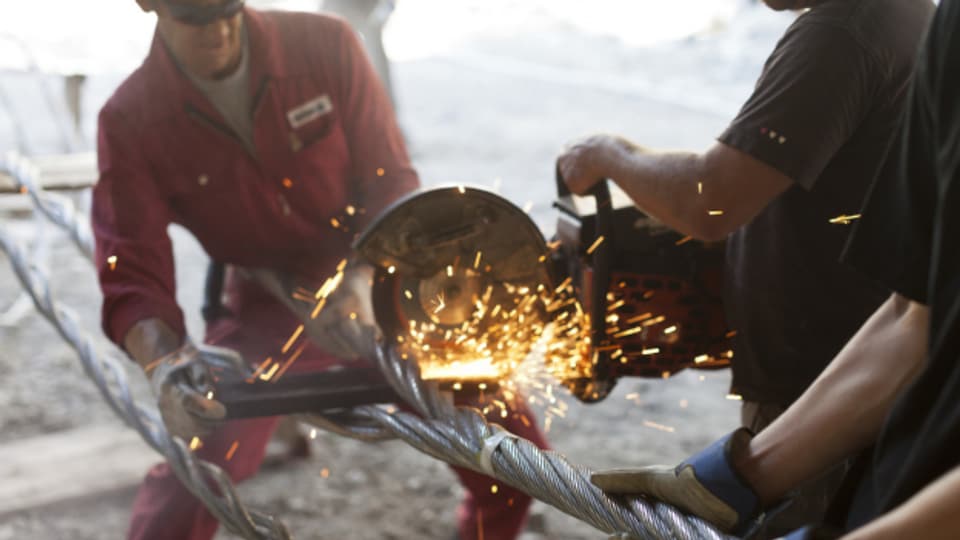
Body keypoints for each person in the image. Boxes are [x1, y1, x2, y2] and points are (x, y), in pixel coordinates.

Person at [91, 1, 547, 539]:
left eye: (226, 9)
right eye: (192, 14)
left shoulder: (326, 46)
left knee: (516, 458)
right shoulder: (131, 119)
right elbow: (132, 274)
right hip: (265, 310)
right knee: (197, 471)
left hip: (386, 289)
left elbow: (391, 180)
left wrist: (360, 278)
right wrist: (166, 363)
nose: (215, 30)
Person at [556, 0, 932, 533]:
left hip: (825, 403)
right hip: (867, 385)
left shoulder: (842, 33)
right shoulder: (913, 14)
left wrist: (609, 154)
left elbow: (712, 201)